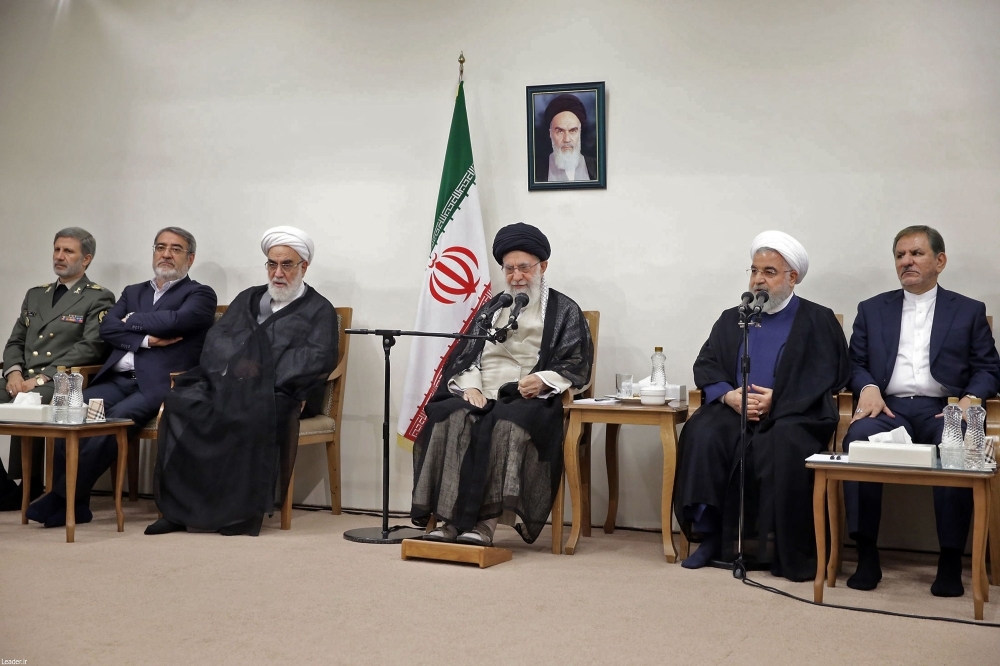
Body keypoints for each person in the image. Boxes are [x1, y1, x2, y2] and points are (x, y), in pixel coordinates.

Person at [674, 231, 849, 581]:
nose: (758, 279)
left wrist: (778, 399)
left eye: (769, 272)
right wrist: (729, 396)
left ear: (791, 278)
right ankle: (711, 539)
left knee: (781, 444)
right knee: (704, 431)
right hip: (735, 410)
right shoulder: (733, 318)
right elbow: (706, 364)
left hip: (794, 414)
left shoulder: (818, 319)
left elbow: (831, 373)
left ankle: (784, 551)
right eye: (754, 271)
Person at [145, 226, 337, 537]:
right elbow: (218, 340)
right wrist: (235, 369)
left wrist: (260, 375)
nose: (277, 273)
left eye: (286, 265)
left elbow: (317, 358)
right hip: (229, 383)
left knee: (246, 412)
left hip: (281, 391)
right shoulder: (249, 298)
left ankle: (239, 515)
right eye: (272, 264)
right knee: (182, 403)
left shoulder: (319, 310)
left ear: (304, 266)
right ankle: (178, 512)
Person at [411, 222, 593, 546]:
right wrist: (471, 388)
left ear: (543, 266)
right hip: (482, 391)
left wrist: (542, 379)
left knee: (506, 424)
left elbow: (576, 362)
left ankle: (484, 524)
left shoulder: (564, 310)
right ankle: (448, 520)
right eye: (509, 269)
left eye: (524, 267)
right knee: (448, 416)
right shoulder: (493, 308)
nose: (516, 277)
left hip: (527, 397)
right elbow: (467, 355)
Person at [842, 225, 1000, 597]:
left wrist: (966, 403)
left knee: (956, 443)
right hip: (887, 407)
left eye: (916, 254)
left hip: (942, 409)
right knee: (858, 438)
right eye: (900, 255)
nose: (906, 262)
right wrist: (867, 388)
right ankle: (866, 554)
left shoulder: (968, 310)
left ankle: (949, 559)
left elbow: (989, 368)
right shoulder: (871, 309)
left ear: (940, 261)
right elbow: (855, 362)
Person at [25, 227, 217, 527]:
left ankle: (62, 497)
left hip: (159, 383)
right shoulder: (133, 291)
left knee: (115, 419)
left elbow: (179, 320)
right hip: (116, 379)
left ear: (190, 258)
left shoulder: (200, 294)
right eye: (160, 247)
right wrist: (147, 340)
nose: (166, 254)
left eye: (176, 249)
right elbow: (108, 329)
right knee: (69, 412)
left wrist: (134, 320)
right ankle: (79, 503)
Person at [0, 227, 115, 511]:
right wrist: (14, 372)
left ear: (86, 259)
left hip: (64, 380)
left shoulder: (97, 297)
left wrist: (40, 378)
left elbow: (91, 347)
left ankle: (32, 485)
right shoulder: (35, 294)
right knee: (17, 394)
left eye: (68, 251)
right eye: (57, 249)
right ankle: (3, 488)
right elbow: (16, 340)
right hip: (22, 377)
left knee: (33, 400)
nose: (60, 257)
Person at [534, 94, 597, 182]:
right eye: (560, 131)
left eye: (572, 131)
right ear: (550, 133)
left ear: (580, 132)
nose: (567, 139)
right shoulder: (535, 171)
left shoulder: (597, 167)